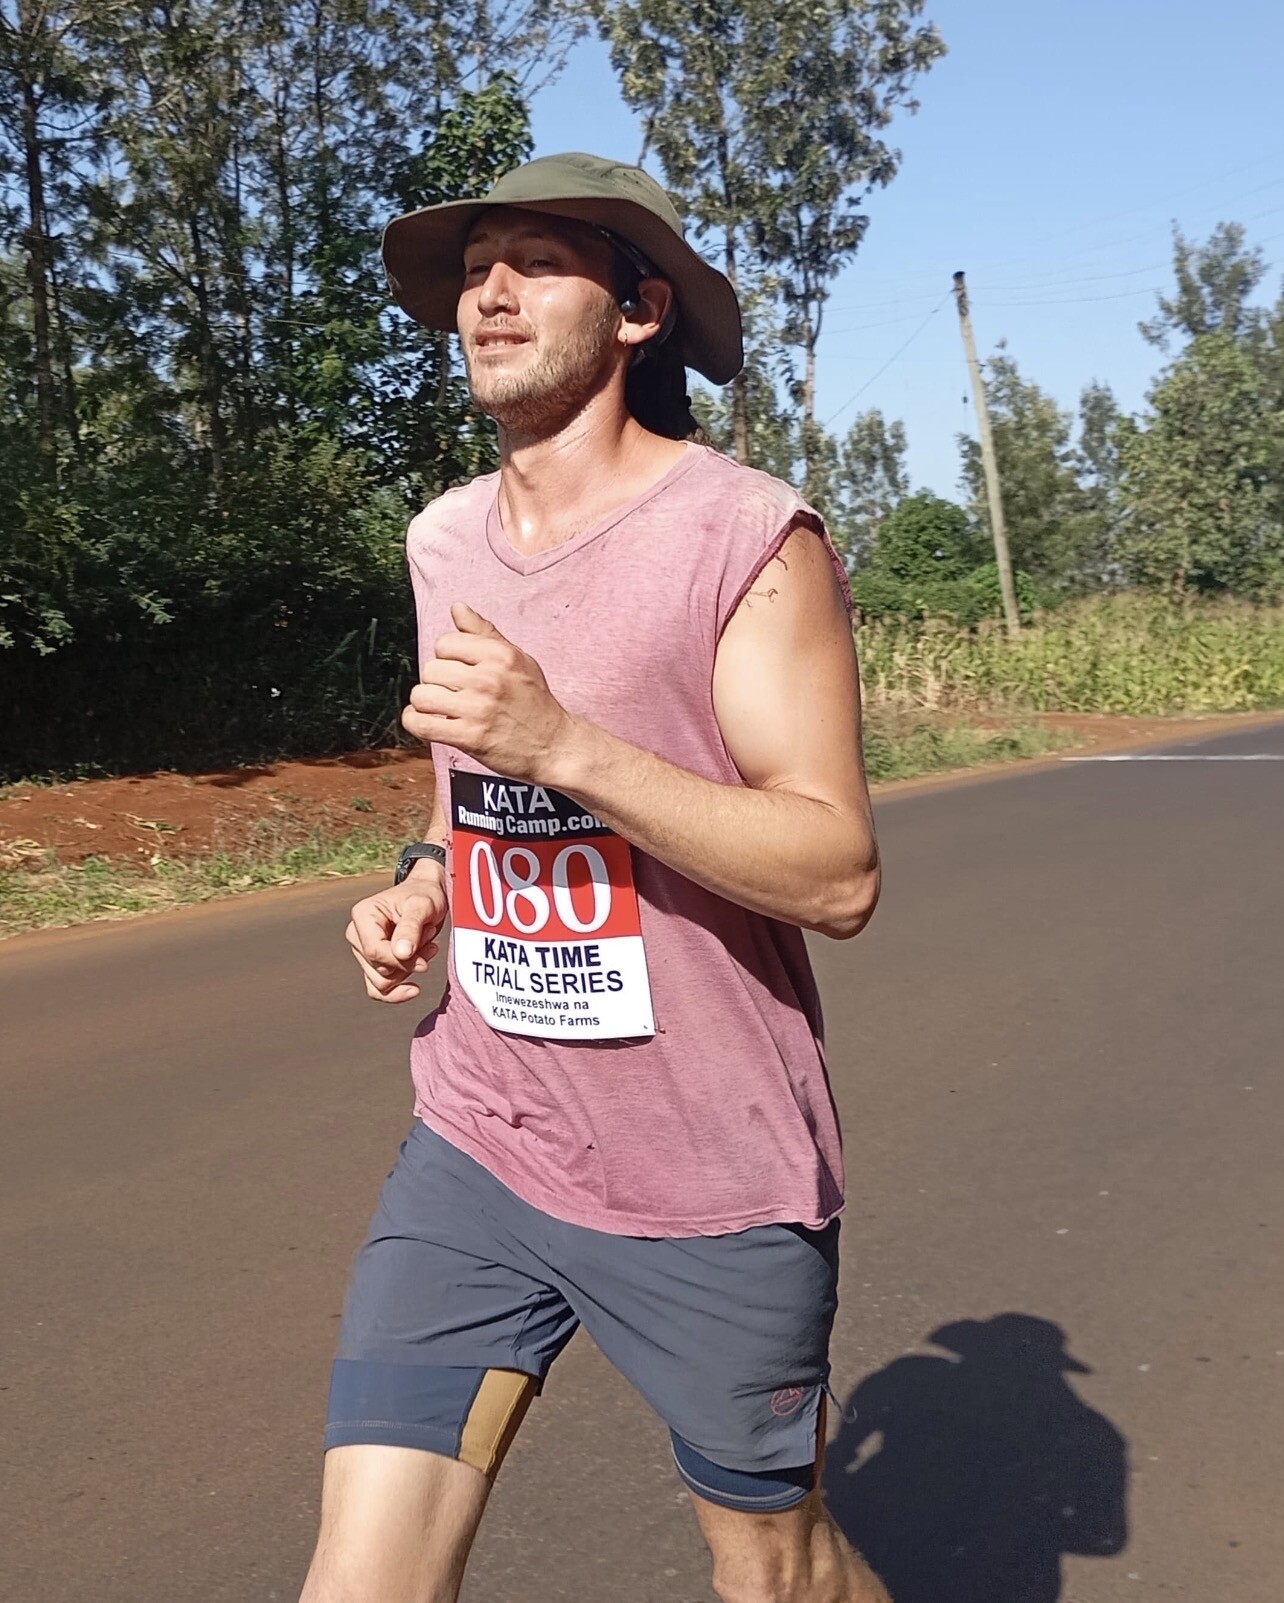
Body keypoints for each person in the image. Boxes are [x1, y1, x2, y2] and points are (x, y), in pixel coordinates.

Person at [300, 152, 884, 1603]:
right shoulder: (445, 538)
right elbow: (476, 790)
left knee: (777, 1572)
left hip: (708, 1177)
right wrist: (428, 880)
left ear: (639, 311)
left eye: (537, 262)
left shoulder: (746, 538)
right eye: (472, 270)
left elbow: (834, 872)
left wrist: (565, 742)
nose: (488, 294)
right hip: (481, 1139)